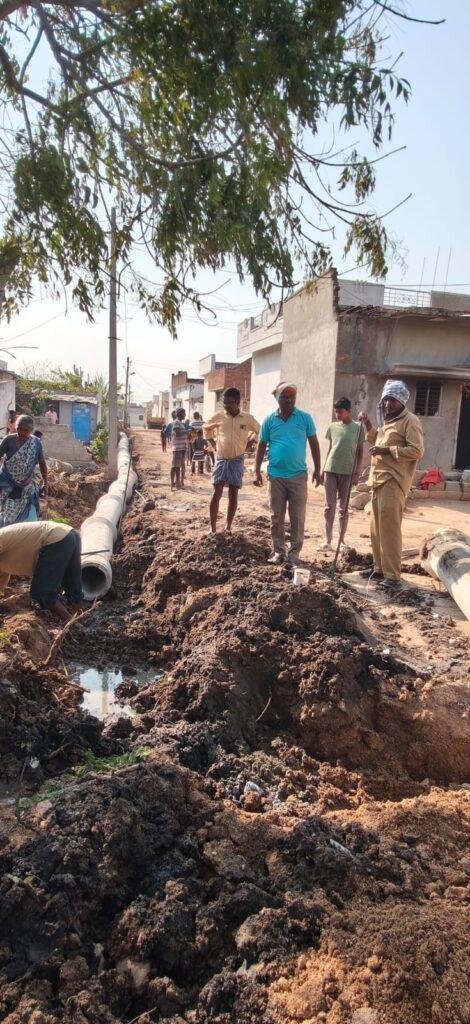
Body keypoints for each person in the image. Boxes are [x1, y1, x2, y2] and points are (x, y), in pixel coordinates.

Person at [359, 379, 424, 592]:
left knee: (390, 530)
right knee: (376, 529)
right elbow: (376, 440)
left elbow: (416, 450)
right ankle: (379, 568)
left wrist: (389, 451)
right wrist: (369, 424)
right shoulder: (387, 421)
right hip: (377, 480)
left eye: (392, 401)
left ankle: (393, 576)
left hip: (393, 481)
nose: (388, 404)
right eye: (386, 400)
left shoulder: (410, 421)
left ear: (401, 401)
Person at [254, 382, 321, 566]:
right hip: (275, 476)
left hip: (298, 476)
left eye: (292, 396)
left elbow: (314, 443)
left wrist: (318, 469)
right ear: (278, 399)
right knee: (276, 516)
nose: (289, 399)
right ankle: (279, 552)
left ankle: (294, 554)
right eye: (284, 396)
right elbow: (261, 445)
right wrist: (256, 471)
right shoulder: (269, 420)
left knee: (297, 516)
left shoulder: (305, 418)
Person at [0, 520, 84, 621]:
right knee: (72, 581)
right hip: (68, 534)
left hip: (54, 539)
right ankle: (81, 618)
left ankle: (73, 624)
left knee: (41, 592)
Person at [204, 388, 259, 533]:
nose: (226, 406)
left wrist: (250, 443)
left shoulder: (247, 418)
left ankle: (228, 527)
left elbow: (260, 431)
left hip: (237, 460)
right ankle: (213, 528)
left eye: (229, 403)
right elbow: (206, 428)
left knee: (233, 493)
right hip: (221, 458)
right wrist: (213, 444)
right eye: (224, 403)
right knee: (217, 492)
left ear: (237, 401)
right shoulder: (219, 416)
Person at [320, 397, 364, 552]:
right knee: (328, 506)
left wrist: (357, 472)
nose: (337, 414)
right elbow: (330, 448)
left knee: (343, 508)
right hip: (330, 470)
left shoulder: (358, 428)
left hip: (347, 472)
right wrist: (322, 469)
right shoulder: (332, 427)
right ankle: (327, 539)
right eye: (336, 411)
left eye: (340, 412)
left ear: (348, 411)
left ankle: (341, 540)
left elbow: (360, 451)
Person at [0, 414, 48, 527]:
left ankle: (27, 536)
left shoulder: (36, 443)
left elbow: (42, 463)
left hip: (27, 484)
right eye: (19, 429)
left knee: (29, 514)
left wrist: (45, 481)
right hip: (7, 482)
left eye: (25, 431)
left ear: (31, 431)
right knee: (6, 514)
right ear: (16, 427)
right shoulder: (8, 440)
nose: (21, 433)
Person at [170, 408, 188, 489]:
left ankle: (178, 483)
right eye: (184, 413)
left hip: (182, 448)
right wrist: (186, 432)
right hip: (177, 448)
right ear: (179, 414)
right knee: (176, 467)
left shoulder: (181, 423)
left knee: (178, 466)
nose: (185, 415)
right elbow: (177, 433)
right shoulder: (176, 422)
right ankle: (176, 484)